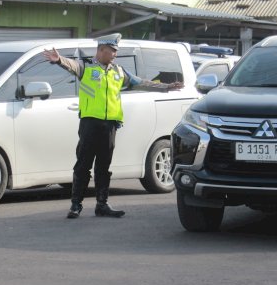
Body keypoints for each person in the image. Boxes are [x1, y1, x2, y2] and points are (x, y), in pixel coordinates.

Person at [43, 33, 184, 219]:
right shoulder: (87, 67)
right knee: (83, 165)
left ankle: (102, 204)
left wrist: (166, 86)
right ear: (101, 50)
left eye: (116, 51)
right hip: (90, 124)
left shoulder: (118, 71)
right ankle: (76, 205)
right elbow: (73, 65)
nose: (115, 54)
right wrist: (59, 59)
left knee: (104, 166)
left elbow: (140, 82)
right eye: (112, 51)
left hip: (110, 126)